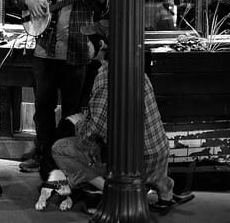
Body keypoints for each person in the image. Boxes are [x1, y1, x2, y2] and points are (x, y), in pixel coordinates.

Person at [51, 20, 195, 215]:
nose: (84, 46)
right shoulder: (135, 67)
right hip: (158, 154)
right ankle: (165, 190)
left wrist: (79, 123)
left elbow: (93, 133)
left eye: (88, 42)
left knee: (59, 148)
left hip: (133, 164)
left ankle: (110, 191)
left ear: (101, 45)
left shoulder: (106, 76)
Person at [8, 0, 108, 177]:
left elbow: (103, 10)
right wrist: (29, 1)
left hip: (77, 48)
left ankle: (65, 157)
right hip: (45, 48)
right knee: (42, 107)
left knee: (72, 110)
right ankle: (42, 153)